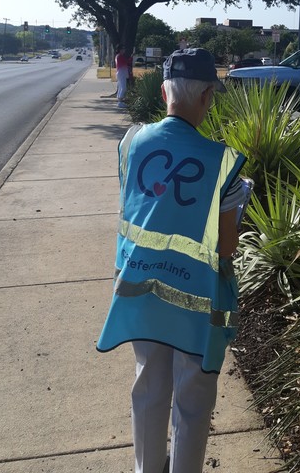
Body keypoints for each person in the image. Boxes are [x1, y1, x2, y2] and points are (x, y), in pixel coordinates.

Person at [97, 48, 246, 473]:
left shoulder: (130, 144)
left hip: (138, 288)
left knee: (149, 386)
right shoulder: (224, 164)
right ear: (207, 98)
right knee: (193, 399)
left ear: (164, 92)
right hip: (195, 305)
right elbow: (225, 247)